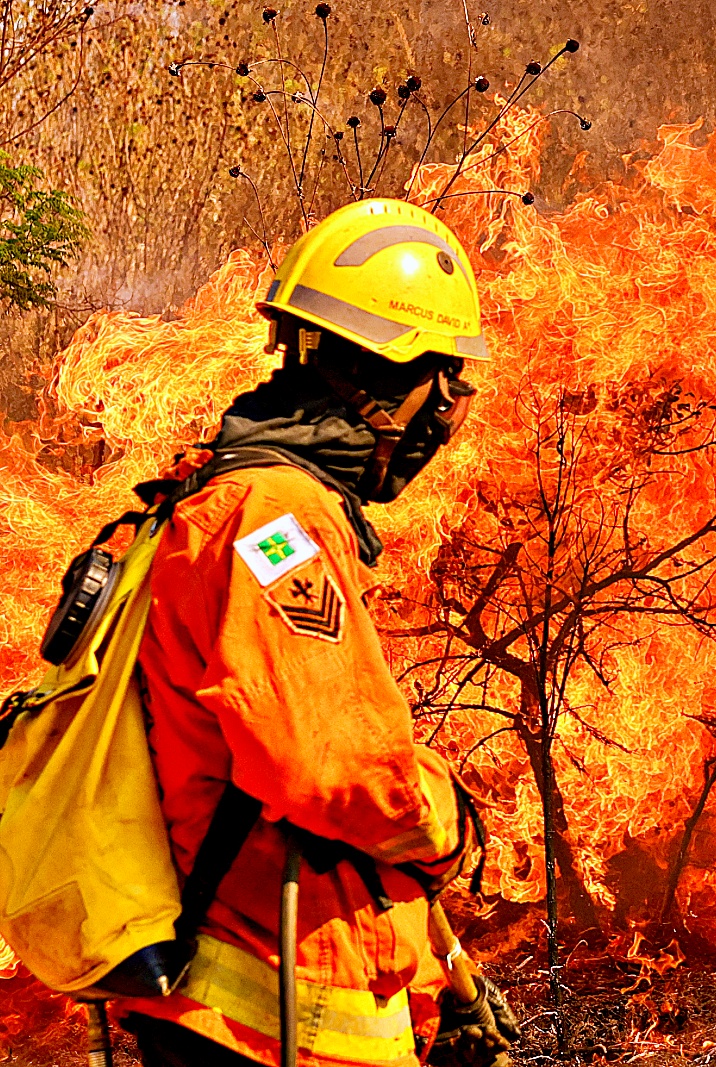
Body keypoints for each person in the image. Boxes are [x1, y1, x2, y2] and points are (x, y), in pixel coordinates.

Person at [110, 198, 518, 1067]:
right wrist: (453, 821)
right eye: (444, 385)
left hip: (266, 1002)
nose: (443, 418)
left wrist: (448, 972)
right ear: (395, 385)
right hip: (264, 1019)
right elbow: (329, 768)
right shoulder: (272, 519)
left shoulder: (225, 496)